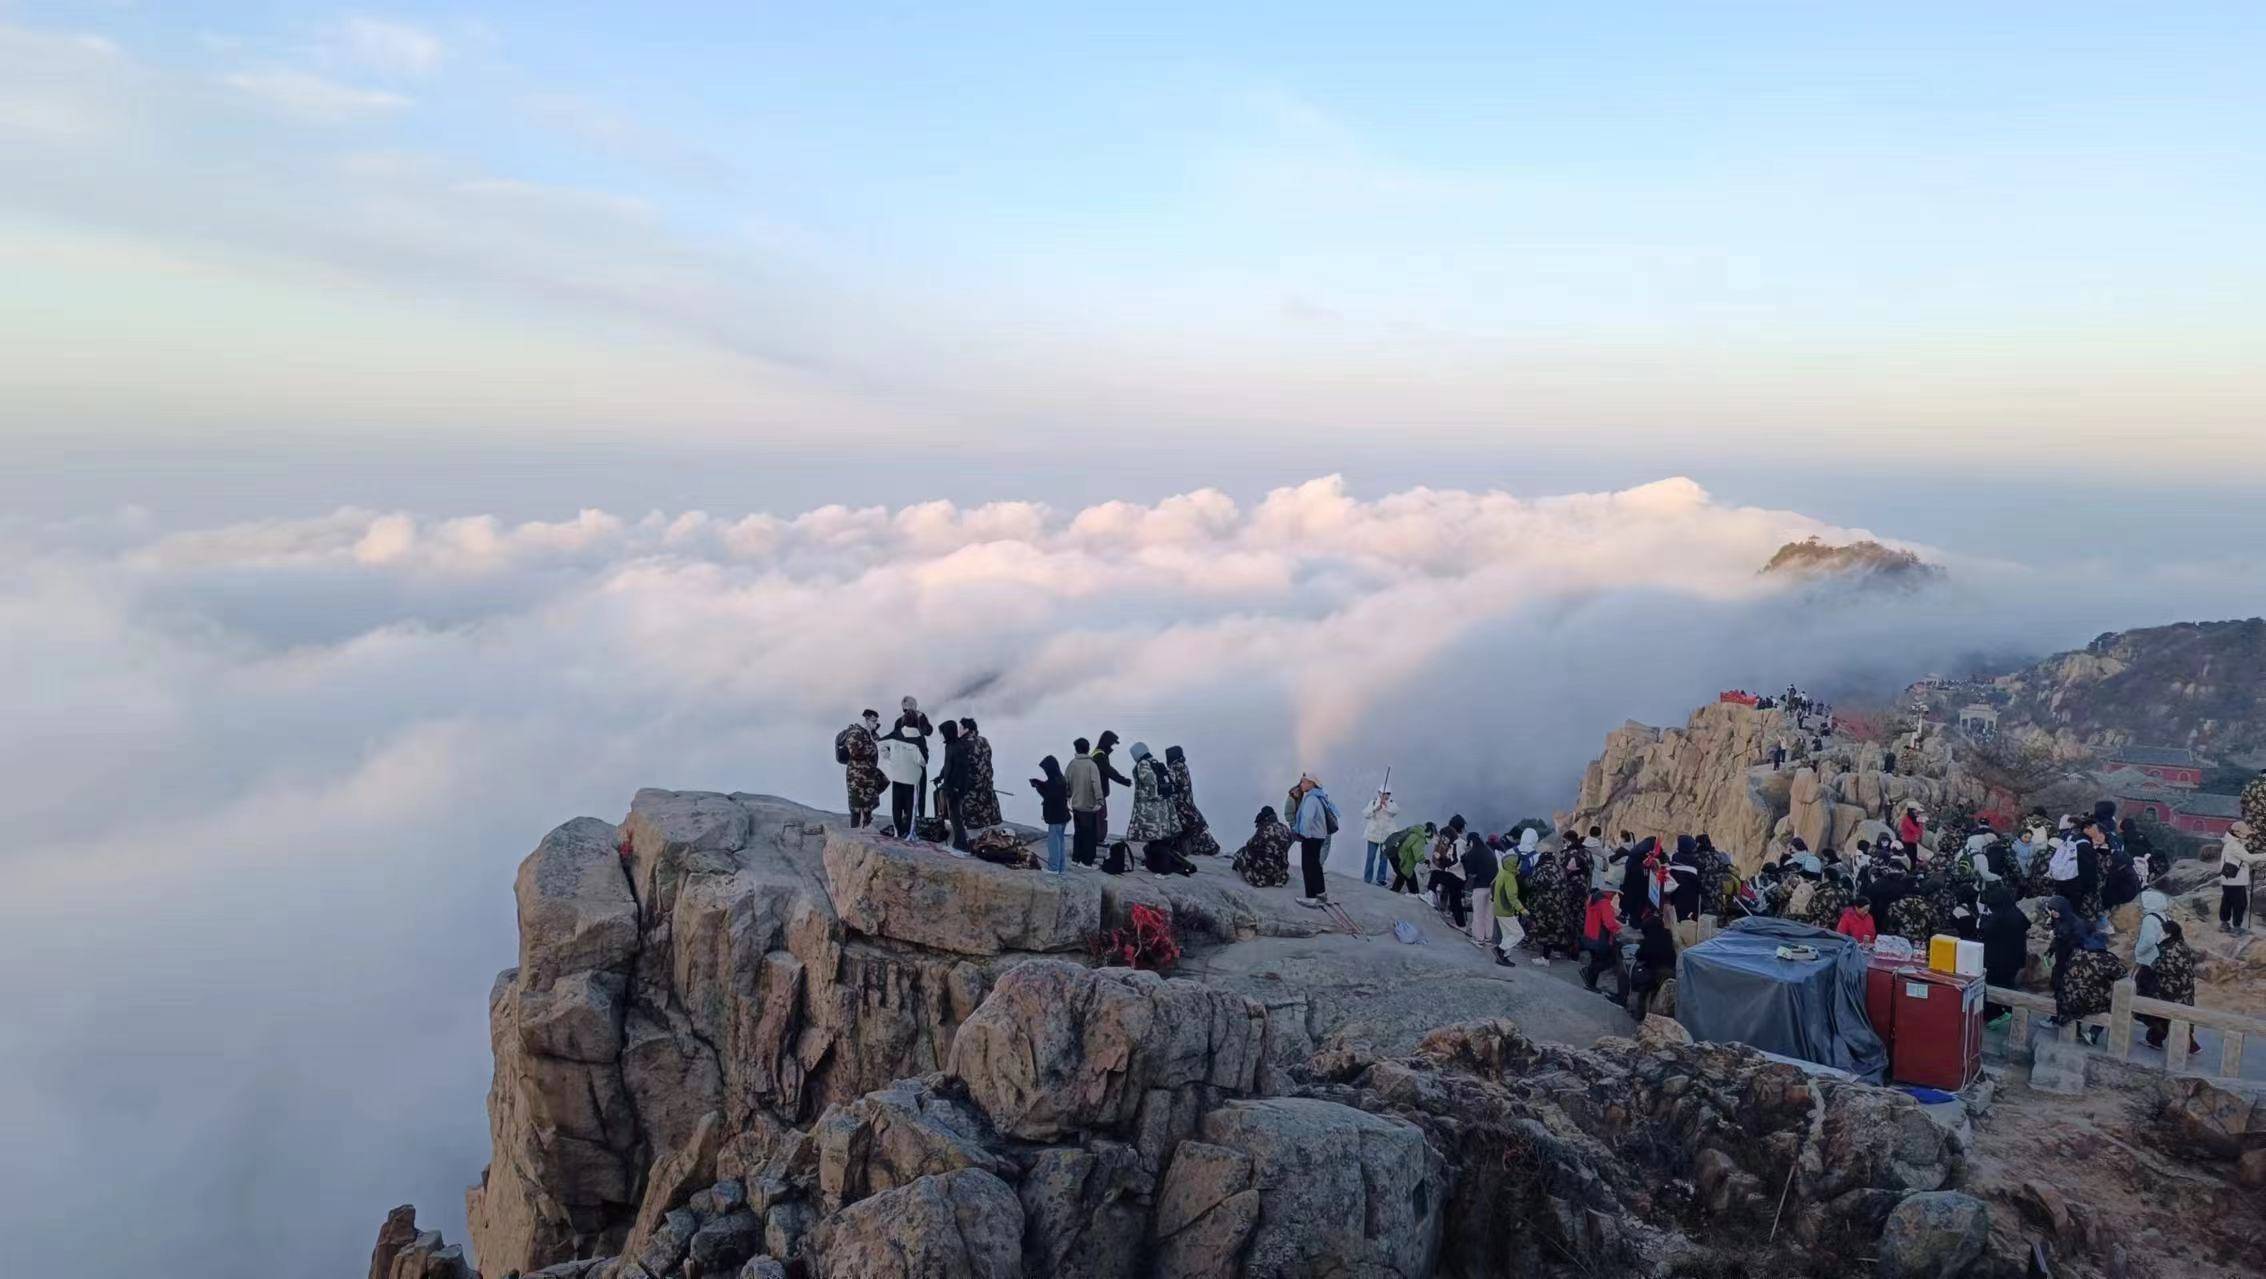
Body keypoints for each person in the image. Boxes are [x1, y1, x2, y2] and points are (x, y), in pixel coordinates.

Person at [2047, 895, 2125, 1043]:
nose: (2053, 913)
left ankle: (2072, 1028)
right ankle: (2093, 1033)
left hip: (2074, 992)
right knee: (2107, 1002)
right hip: (2094, 997)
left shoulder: (2078, 956)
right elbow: (2121, 973)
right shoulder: (2107, 959)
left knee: (2067, 996)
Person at [1124, 742, 1184, 868]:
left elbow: (1149, 781)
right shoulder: (1155, 762)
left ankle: (1155, 864)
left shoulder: (1143, 764)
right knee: (1160, 836)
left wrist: (1152, 795)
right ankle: (1157, 863)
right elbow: (1170, 778)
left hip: (1150, 807)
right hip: (1163, 806)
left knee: (1153, 837)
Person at [1978, 886, 2029, 1025]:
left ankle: (1995, 1015)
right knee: (2007, 985)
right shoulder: (2015, 913)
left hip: (1997, 961)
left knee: (1993, 988)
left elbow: (1985, 931)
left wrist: (1983, 920)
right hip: (2014, 960)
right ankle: (2009, 1011)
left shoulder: (2000, 917)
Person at [1289, 775, 1339, 907]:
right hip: (1319, 836)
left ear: (1311, 783)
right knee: (1316, 865)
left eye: (1304, 782)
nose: (1301, 785)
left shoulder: (1311, 799)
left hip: (1311, 837)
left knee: (1308, 866)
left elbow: (1308, 818)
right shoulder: (1319, 797)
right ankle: (1321, 893)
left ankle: (1311, 897)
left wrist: (1304, 835)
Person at [1164, 746, 1222, 858]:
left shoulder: (1174, 768)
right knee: (1196, 828)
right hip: (1188, 804)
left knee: (1187, 829)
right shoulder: (1183, 766)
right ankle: (1211, 848)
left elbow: (1171, 787)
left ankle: (1200, 848)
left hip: (1181, 806)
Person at [834, 709, 886, 828]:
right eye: (873, 720)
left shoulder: (868, 732)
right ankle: (855, 832)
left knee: (868, 804)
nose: (875, 723)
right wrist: (871, 749)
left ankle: (865, 828)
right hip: (856, 775)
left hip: (867, 774)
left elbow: (878, 740)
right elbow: (853, 751)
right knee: (856, 807)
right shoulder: (856, 731)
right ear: (867, 719)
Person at [1625, 910, 1677, 1021]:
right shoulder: (1667, 936)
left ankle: (1641, 1015)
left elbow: (1640, 956)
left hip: (1655, 973)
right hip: (1671, 971)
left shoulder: (1649, 941)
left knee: (1643, 988)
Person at [889, 697, 934, 817]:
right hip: (914, 759)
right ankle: (912, 818)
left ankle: (914, 817)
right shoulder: (900, 721)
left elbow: (928, 731)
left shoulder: (916, 718)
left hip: (908, 760)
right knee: (913, 791)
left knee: (915, 791)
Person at [1232, 806, 1294, 887]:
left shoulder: (1264, 828)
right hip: (1281, 872)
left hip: (1265, 873)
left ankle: (1237, 873)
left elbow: (1250, 844)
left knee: (1241, 853)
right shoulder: (1285, 828)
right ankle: (1277, 876)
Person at [2220, 822, 2264, 934]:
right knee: (2240, 904)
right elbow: (2248, 858)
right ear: (2236, 833)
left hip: (2228, 880)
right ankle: (2236, 928)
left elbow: (2240, 859)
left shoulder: (2230, 843)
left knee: (2227, 902)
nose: (2247, 836)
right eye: (2245, 834)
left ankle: (2224, 924)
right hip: (2236, 881)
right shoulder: (2234, 845)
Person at [935, 720, 972, 851]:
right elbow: (947, 765)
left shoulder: (958, 747)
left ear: (948, 732)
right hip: (950, 785)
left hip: (956, 788)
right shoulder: (950, 746)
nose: (942, 735)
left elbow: (961, 770)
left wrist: (955, 787)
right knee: (952, 815)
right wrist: (940, 777)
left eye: (943, 732)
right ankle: (959, 842)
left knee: (955, 816)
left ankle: (961, 845)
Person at [1578, 888, 1623, 996]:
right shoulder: (1605, 902)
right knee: (1611, 960)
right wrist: (1619, 928)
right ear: (1611, 892)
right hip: (1599, 937)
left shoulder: (1592, 897)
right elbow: (1609, 923)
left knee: (1596, 960)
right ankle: (1588, 973)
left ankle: (1591, 984)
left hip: (1589, 935)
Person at [1065, 739, 1103, 866]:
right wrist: (1099, 800)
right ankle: (1087, 862)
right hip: (1089, 806)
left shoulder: (1072, 764)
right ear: (1088, 748)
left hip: (1076, 804)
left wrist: (1068, 797)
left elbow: (1067, 783)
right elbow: (1096, 784)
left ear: (1076, 749)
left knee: (1078, 832)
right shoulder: (1091, 765)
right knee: (1089, 835)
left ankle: (1076, 858)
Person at [1091, 730, 1134, 841]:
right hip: (1098, 793)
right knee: (1100, 817)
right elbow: (1109, 771)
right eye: (1112, 743)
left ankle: (1097, 839)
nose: (1113, 746)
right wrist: (1124, 781)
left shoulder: (1098, 753)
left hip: (1096, 792)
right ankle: (1098, 840)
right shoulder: (1100, 755)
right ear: (1107, 742)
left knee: (1099, 817)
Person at [1030, 755, 1070, 874]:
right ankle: (1061, 868)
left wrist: (1037, 787)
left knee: (1053, 843)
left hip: (1055, 817)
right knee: (1060, 842)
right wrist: (1039, 783)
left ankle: (1053, 868)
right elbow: (1049, 787)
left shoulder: (1054, 781)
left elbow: (1048, 796)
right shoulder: (1060, 778)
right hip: (1063, 816)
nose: (1045, 772)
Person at [1463, 824, 1500, 948]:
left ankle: (1478, 938)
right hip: (1493, 887)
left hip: (1480, 887)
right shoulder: (1488, 851)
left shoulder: (1474, 852)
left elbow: (1470, 871)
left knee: (1478, 913)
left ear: (1471, 842)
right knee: (1489, 914)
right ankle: (1489, 938)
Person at [1428, 815, 1470, 925]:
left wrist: (1445, 863)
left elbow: (1457, 860)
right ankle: (1461, 924)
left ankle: (1430, 895)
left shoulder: (1458, 843)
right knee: (1455, 901)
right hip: (1459, 876)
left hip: (1456, 875)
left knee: (1435, 875)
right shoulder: (1459, 842)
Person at [1490, 851, 1525, 967]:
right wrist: (1522, 910)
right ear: (1513, 865)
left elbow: (1492, 886)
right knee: (1519, 934)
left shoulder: (1502, 873)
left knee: (1507, 934)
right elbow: (1512, 897)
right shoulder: (1510, 877)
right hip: (1506, 911)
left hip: (1498, 909)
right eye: (1518, 864)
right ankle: (1500, 949)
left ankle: (1503, 957)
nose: (1520, 866)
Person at [1361, 787, 1401, 887]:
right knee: (1370, 857)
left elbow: (1396, 811)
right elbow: (1365, 814)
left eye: (1388, 793)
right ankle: (1367, 878)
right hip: (1372, 835)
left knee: (1384, 858)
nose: (1385, 795)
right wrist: (1375, 809)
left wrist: (1385, 806)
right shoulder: (1373, 802)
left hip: (1386, 837)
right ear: (1379, 793)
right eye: (1383, 793)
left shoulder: (1391, 803)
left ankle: (1381, 879)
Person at [1390, 823, 1435, 895]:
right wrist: (1424, 860)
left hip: (1396, 856)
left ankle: (1394, 890)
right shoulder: (1420, 838)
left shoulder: (1415, 832)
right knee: (1408, 877)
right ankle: (1414, 893)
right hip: (1404, 859)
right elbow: (1417, 854)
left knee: (1403, 875)